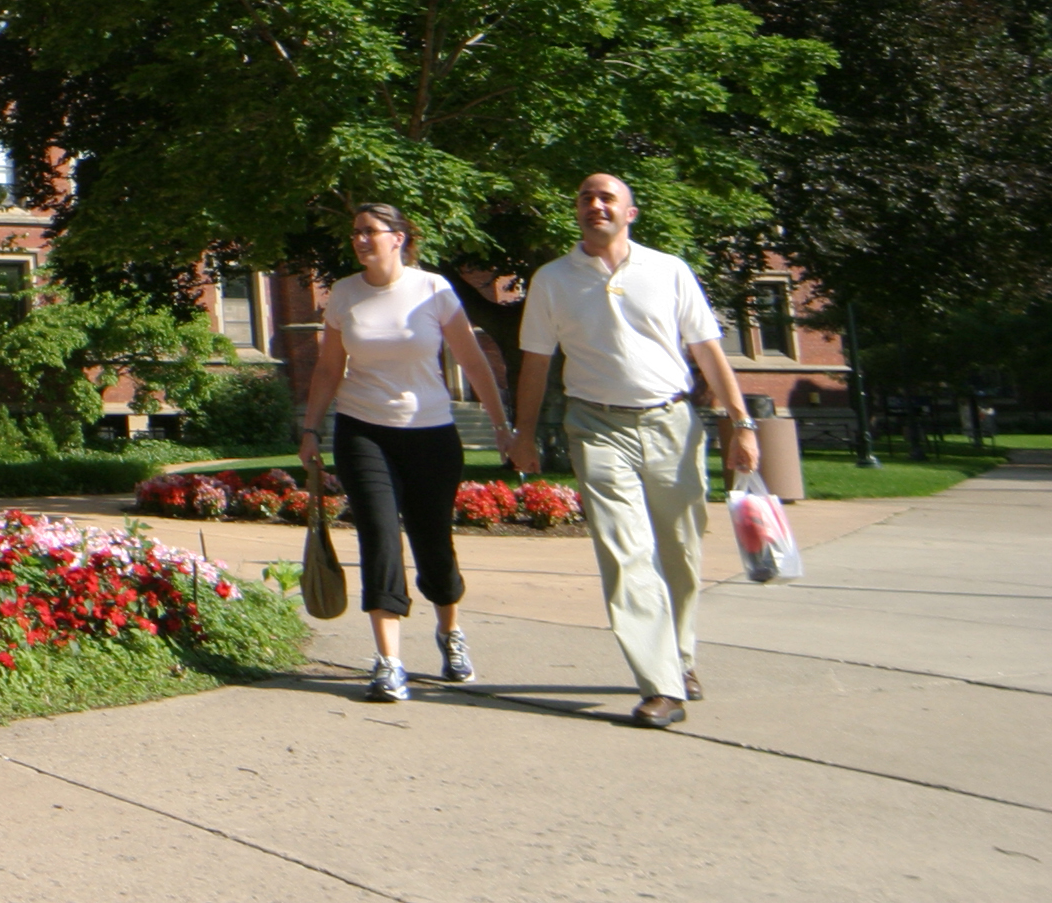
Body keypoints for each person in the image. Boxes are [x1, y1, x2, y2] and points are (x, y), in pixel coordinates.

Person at [508, 173, 762, 729]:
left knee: (680, 552)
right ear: (576, 211)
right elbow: (535, 362)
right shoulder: (552, 280)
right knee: (624, 554)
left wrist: (740, 424)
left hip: (673, 423)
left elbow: (709, 352)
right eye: (585, 197)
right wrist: (523, 433)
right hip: (596, 426)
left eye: (607, 198)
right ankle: (661, 684)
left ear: (631, 213)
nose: (594, 204)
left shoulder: (668, 270)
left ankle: (682, 655)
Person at [299, 204, 520, 704]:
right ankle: (389, 661)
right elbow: (329, 369)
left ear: (398, 238)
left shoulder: (434, 290)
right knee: (378, 536)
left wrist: (501, 424)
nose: (359, 240)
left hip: (430, 432)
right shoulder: (345, 294)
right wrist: (311, 429)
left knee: (433, 543)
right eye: (355, 232)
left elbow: (472, 360)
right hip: (363, 431)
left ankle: (449, 631)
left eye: (370, 232)